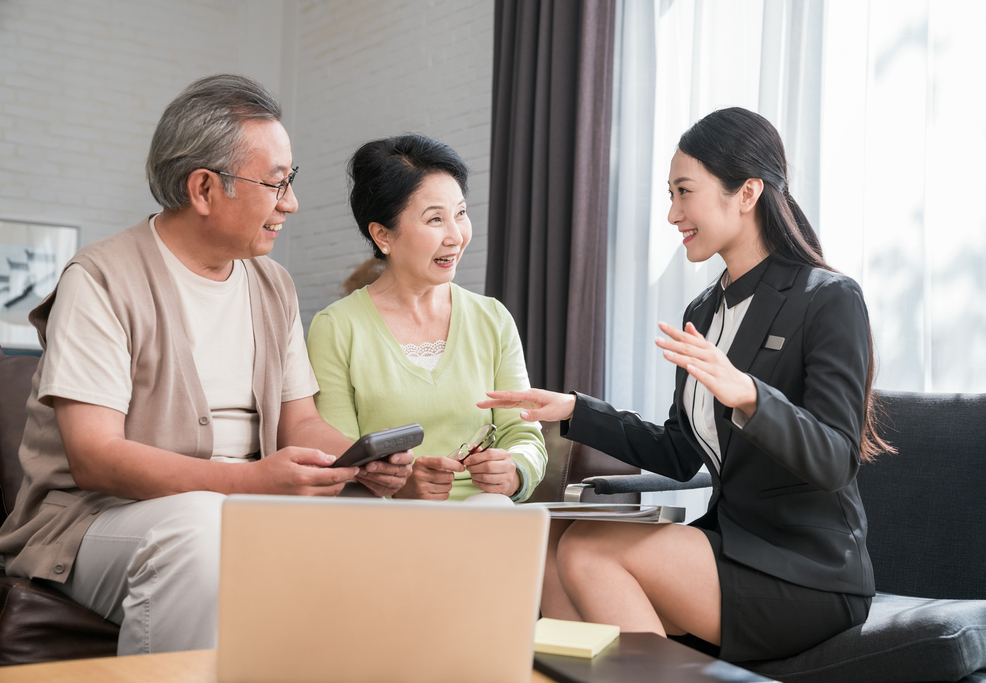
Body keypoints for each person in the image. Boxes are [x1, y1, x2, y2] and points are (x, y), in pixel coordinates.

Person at [0, 75, 413, 655]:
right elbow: (95, 457)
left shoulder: (275, 286)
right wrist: (248, 484)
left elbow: (301, 423)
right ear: (203, 188)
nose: (289, 203)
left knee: (391, 528)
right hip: (97, 523)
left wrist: (349, 463)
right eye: (275, 183)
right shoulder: (99, 280)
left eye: (289, 182)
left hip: (241, 509)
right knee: (200, 528)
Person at [479, 107, 891, 662]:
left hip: (808, 571)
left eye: (683, 192)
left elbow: (836, 457)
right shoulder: (706, 307)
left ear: (747, 192)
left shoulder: (828, 298)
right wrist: (575, 410)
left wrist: (747, 393)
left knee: (589, 553)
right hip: (731, 547)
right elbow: (677, 452)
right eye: (670, 195)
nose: (673, 214)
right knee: (556, 559)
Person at [307, 134, 546, 502]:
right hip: (387, 522)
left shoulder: (492, 319)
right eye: (435, 219)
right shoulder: (337, 328)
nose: (456, 236)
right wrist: (401, 487)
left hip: (486, 511)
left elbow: (525, 436)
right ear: (383, 235)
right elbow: (337, 458)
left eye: (461, 214)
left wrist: (514, 471)